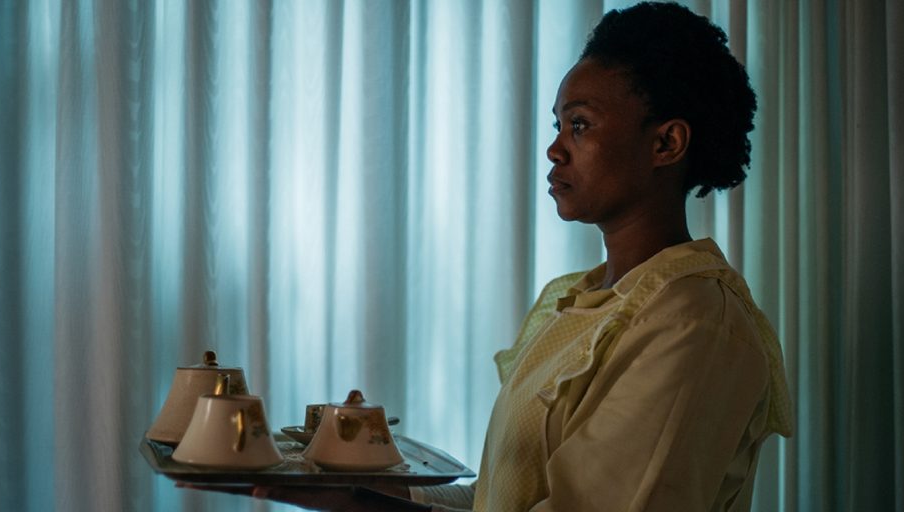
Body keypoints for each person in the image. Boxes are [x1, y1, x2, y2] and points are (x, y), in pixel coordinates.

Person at [180, 2, 793, 510]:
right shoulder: (578, 299)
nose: (555, 149)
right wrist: (344, 491)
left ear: (666, 143)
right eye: (557, 126)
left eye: (580, 125)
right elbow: (497, 501)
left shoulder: (694, 323)